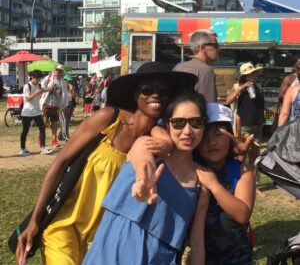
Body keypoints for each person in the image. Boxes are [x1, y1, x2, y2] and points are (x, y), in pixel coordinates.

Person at [16, 62, 197, 265]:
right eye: (148, 89)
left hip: (104, 237)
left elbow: (164, 140)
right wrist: (34, 221)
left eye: (164, 90)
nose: (156, 95)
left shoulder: (157, 137)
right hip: (65, 227)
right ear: (136, 94)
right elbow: (60, 162)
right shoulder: (108, 120)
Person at [83, 91, 210, 265]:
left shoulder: (201, 182)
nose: (188, 131)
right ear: (168, 125)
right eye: (179, 123)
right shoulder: (147, 145)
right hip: (113, 252)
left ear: (204, 125)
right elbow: (142, 158)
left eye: (195, 122)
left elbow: (197, 245)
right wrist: (144, 178)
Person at [189, 103, 255, 265]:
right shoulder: (191, 168)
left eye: (218, 134)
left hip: (238, 258)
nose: (211, 142)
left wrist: (213, 185)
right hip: (203, 258)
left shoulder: (241, 170)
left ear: (230, 137)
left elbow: (242, 215)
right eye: (204, 136)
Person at [226, 62, 264, 170]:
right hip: (243, 125)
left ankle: (252, 181)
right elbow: (228, 101)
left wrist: (263, 121)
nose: (254, 76)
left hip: (256, 125)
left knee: (255, 155)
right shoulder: (237, 86)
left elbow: (260, 106)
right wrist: (241, 89)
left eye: (254, 74)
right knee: (242, 153)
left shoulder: (258, 87)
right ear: (244, 76)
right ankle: (238, 177)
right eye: (251, 74)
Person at [174, 29, 219, 103]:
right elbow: (209, 105)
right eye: (215, 45)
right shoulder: (206, 70)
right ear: (202, 47)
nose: (219, 49)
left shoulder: (178, 67)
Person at [19, 70, 52, 156]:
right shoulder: (27, 86)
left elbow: (41, 91)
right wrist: (36, 92)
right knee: (25, 130)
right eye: (37, 79)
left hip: (36, 111)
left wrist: (48, 89)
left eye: (39, 79)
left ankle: (43, 147)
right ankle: (22, 148)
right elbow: (27, 99)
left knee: (42, 128)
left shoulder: (39, 85)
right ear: (32, 77)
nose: (38, 81)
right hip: (27, 112)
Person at [40, 65, 69, 148]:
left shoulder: (62, 81)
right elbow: (41, 87)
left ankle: (54, 140)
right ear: (54, 70)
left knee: (54, 122)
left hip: (56, 105)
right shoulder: (48, 78)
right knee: (44, 122)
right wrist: (48, 88)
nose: (58, 72)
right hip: (47, 103)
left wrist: (64, 104)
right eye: (57, 70)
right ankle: (41, 138)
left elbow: (65, 94)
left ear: (62, 72)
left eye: (60, 71)